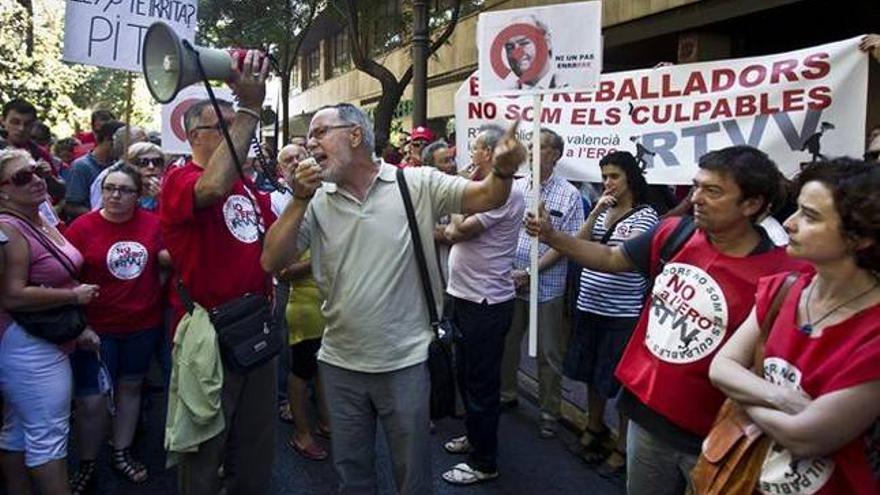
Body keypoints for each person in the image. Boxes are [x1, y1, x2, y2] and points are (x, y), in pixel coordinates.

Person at [261, 105, 526, 495]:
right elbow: (272, 260)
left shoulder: (415, 183)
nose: (309, 144)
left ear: (354, 135)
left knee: (412, 476)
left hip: (405, 363)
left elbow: (486, 196)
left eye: (319, 133)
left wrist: (502, 171)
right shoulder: (316, 200)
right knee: (352, 475)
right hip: (338, 363)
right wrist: (299, 200)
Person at [526, 145, 805, 495]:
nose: (696, 198)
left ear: (752, 204)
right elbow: (612, 257)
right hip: (647, 418)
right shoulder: (675, 233)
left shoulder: (783, 277)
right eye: (696, 186)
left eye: (713, 191)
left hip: (717, 436)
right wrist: (552, 236)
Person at [710, 159, 880, 495]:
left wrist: (745, 393)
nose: (789, 223)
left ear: (858, 238)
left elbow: (805, 437)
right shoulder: (782, 289)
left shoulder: (873, 332)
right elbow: (720, 368)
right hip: (748, 479)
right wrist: (783, 398)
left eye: (810, 216)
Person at [160, 50, 276, 495]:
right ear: (195, 136)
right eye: (227, 128)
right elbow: (210, 188)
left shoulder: (247, 186)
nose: (241, 136)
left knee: (255, 444)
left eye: (241, 126)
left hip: (255, 326)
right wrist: (248, 108)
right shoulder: (180, 179)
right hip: (212, 332)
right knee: (205, 447)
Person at [0, 149, 99, 495]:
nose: (37, 179)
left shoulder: (38, 216)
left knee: (16, 430)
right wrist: (73, 297)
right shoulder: (9, 228)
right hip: (28, 343)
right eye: (22, 177)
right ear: (2, 192)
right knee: (48, 437)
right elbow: (11, 294)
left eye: (37, 171)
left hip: (40, 339)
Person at [64, 165, 168, 492]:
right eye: (110, 188)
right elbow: (66, 276)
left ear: (138, 196)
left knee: (130, 388)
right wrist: (79, 326)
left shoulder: (154, 225)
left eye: (124, 190)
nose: (115, 195)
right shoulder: (82, 227)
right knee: (91, 401)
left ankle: (121, 452)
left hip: (142, 325)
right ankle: (87, 461)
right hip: (97, 329)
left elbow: (166, 262)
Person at [439, 124, 527, 485]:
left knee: (481, 384)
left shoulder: (505, 194)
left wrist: (454, 211)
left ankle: (484, 461)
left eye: (475, 148)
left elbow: (459, 229)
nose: (469, 154)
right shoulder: (482, 188)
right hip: (466, 296)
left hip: (486, 302)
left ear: (491, 154)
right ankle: (475, 437)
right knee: (466, 374)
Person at [561, 151, 658, 477]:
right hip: (590, 304)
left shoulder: (646, 216)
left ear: (629, 177)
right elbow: (578, 245)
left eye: (614, 176)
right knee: (591, 373)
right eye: (604, 177)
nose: (607, 183)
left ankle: (622, 447)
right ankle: (594, 425)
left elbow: (618, 258)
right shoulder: (603, 211)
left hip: (622, 312)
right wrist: (595, 214)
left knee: (620, 380)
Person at [500, 128, 584, 439]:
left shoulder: (570, 195)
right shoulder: (516, 188)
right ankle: (506, 394)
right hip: (510, 281)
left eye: (542, 147)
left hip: (546, 285)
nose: (534, 152)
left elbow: (568, 244)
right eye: (531, 146)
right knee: (508, 343)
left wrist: (531, 272)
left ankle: (550, 412)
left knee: (549, 352)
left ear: (556, 155)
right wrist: (510, 271)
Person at [64, 120, 125, 220]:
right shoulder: (81, 167)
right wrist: (100, 215)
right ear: (109, 140)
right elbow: (71, 206)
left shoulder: (118, 165)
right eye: (122, 144)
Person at [88, 126, 149, 211]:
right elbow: (98, 211)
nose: (148, 147)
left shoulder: (149, 173)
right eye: (143, 143)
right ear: (127, 147)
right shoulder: (107, 176)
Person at [502, 16, 563, 90]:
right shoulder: (503, 97)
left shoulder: (573, 89)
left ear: (547, 42)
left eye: (524, 43)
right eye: (510, 47)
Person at [122, 142, 165, 212]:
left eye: (157, 162)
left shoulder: (169, 192)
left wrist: (161, 199)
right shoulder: (121, 192)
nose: (151, 167)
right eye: (144, 162)